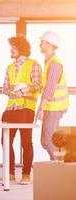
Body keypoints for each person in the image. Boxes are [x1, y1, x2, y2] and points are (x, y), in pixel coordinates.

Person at [0, 35, 42, 185]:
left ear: (21, 48)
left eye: (13, 47)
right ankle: (9, 174)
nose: (11, 50)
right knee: (5, 141)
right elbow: (4, 87)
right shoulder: (9, 67)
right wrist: (9, 91)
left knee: (26, 142)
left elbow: (37, 86)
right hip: (10, 108)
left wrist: (22, 91)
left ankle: (26, 174)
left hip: (26, 108)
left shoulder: (33, 65)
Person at [35, 31, 69, 160]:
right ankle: (57, 165)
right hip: (51, 107)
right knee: (46, 140)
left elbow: (49, 90)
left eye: (42, 42)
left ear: (48, 44)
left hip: (55, 108)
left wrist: (40, 109)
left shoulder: (54, 63)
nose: (40, 44)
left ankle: (59, 166)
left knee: (48, 140)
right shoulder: (49, 62)